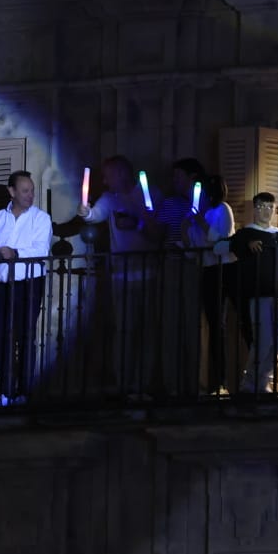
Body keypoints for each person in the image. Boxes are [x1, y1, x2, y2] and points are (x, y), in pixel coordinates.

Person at [80, 155, 163, 398]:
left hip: (148, 273)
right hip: (121, 276)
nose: (105, 182)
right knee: (124, 331)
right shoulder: (110, 198)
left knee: (148, 331)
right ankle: (124, 385)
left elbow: (159, 231)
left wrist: (138, 223)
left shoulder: (150, 193)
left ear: (121, 174)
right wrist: (85, 212)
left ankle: (144, 385)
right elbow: (94, 214)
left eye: (108, 176)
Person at [0, 170, 53, 406]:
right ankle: (6, 392)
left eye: (31, 191)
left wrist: (15, 253)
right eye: (25, 191)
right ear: (11, 192)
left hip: (29, 283)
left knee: (25, 336)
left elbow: (41, 250)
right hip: (2, 284)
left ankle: (25, 393)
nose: (30, 195)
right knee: (0, 337)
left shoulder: (41, 218)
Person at [231, 192, 278, 394]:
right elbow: (232, 245)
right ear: (255, 209)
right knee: (264, 339)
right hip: (259, 294)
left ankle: (262, 382)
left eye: (270, 207)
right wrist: (247, 244)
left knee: (277, 341)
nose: (266, 211)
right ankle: (250, 383)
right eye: (261, 206)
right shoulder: (246, 233)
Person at [158, 157, 207, 397]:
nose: (174, 180)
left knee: (194, 326)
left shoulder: (207, 204)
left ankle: (195, 383)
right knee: (171, 324)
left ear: (192, 178)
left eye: (179, 176)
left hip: (196, 266)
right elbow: (159, 232)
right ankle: (172, 384)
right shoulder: (170, 203)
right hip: (173, 264)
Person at [187, 174, 236, 396]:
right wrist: (187, 226)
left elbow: (220, 239)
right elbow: (194, 245)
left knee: (219, 325)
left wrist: (199, 222)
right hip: (207, 269)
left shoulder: (222, 210)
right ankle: (212, 380)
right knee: (212, 324)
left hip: (222, 269)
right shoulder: (203, 214)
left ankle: (221, 381)